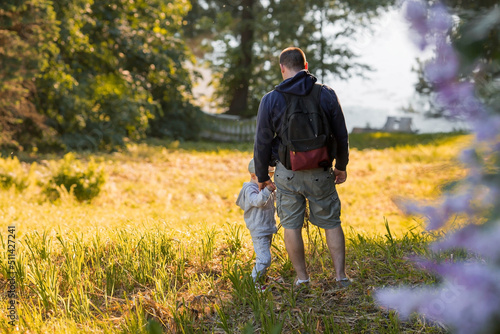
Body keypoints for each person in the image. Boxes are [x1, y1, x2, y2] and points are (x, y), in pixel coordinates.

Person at [253, 47, 351, 287]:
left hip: (287, 174)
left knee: (291, 226)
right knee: (331, 222)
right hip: (321, 171)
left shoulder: (271, 98)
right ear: (305, 66)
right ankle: (341, 277)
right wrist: (341, 166)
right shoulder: (326, 94)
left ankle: (303, 279)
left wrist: (263, 176)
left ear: (282, 68)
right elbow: (341, 134)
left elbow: (262, 141)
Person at [236, 159, 277, 287]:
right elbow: (257, 201)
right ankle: (254, 282)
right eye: (266, 176)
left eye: (270, 176)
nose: (269, 179)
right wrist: (267, 191)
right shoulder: (250, 189)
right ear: (254, 176)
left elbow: (273, 198)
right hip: (258, 228)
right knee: (264, 259)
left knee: (265, 255)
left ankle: (262, 277)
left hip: (267, 226)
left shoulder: (265, 187)